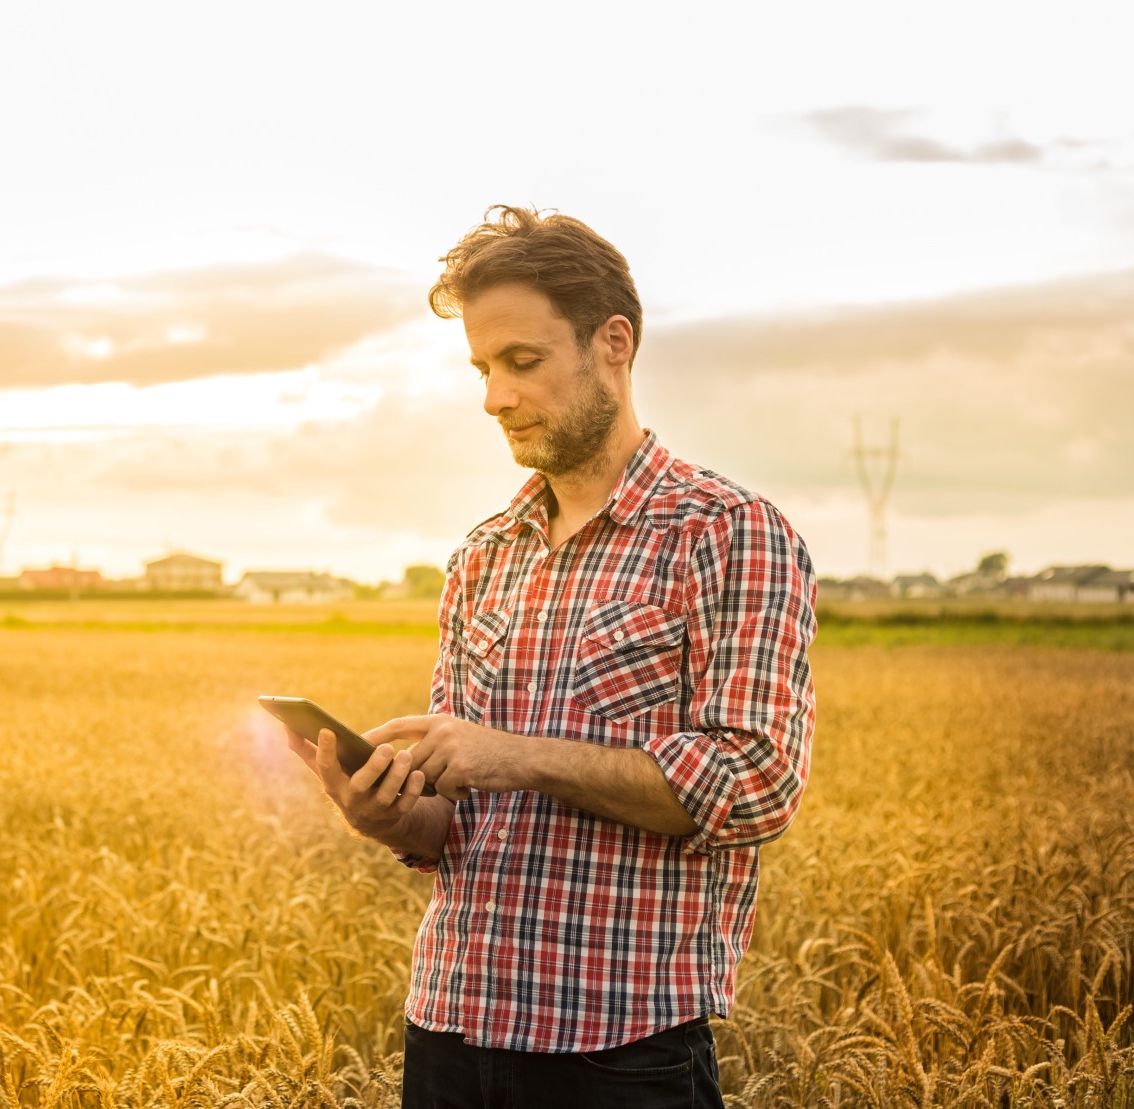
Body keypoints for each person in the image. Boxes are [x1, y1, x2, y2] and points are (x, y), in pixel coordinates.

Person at [283, 205, 816, 1108]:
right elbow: (453, 822)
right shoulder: (483, 554)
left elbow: (755, 782)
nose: (495, 396)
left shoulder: (729, 532)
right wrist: (383, 813)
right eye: (484, 369)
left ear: (614, 343)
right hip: (451, 1026)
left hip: (620, 1052)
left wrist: (515, 753)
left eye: (522, 362)